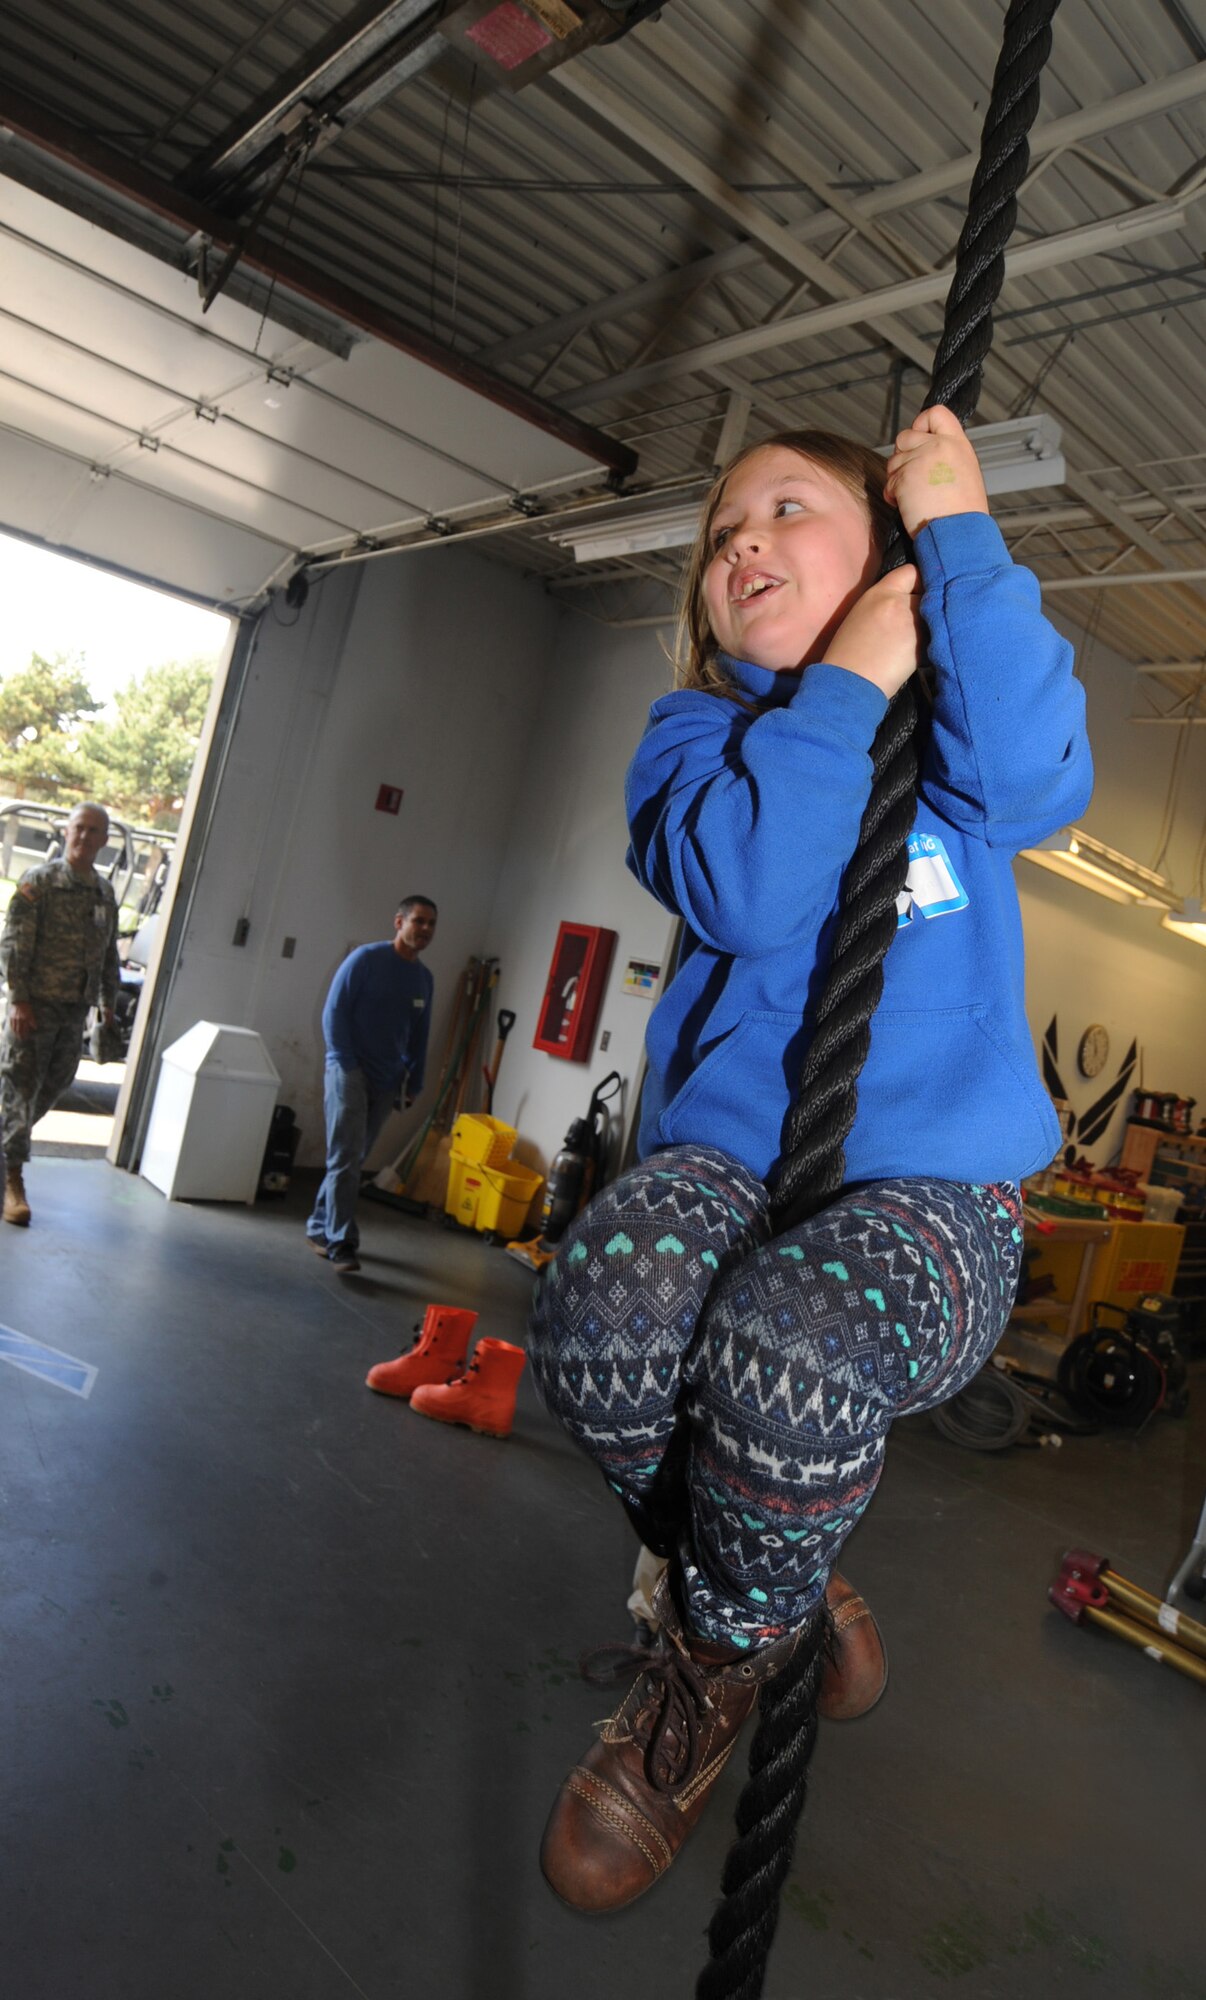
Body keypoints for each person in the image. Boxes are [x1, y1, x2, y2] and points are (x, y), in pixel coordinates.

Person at [530, 407, 1093, 1911]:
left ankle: (710, 1658)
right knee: (598, 1312)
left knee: (796, 1340)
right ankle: (771, 1569)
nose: (742, 543)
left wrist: (961, 543)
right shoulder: (696, 739)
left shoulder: (951, 754)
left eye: (786, 511)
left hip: (928, 1203)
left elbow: (1043, 774)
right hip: (734, 1173)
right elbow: (754, 887)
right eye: (724, 536)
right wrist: (843, 678)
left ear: (884, 557)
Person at [0, 802, 120, 1227]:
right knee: (19, 1089)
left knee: (53, 1086)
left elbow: (108, 955)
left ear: (105, 841)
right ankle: (12, 1182)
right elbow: (13, 945)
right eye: (78, 828)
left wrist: (107, 1005)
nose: (84, 837)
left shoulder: (103, 893)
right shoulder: (41, 883)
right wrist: (19, 999)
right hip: (33, 1009)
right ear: (65, 832)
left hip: (74, 1012)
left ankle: (8, 1144)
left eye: (93, 831)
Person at [306, 896, 437, 1275]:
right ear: (399, 922)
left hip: (388, 1077)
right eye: (419, 921)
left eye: (431, 925)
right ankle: (342, 1242)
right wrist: (345, 1063)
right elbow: (334, 1013)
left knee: (352, 1157)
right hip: (349, 1070)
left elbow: (419, 1034)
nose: (425, 930)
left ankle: (318, 1226)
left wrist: (416, 1079)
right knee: (346, 1157)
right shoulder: (365, 960)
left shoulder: (424, 979)